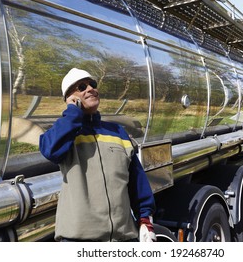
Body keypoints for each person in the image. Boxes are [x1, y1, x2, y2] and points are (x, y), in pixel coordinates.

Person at [39, 68, 156, 242]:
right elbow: (50, 150)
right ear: (70, 98)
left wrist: (145, 219)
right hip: (78, 241)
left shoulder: (117, 132)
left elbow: (136, 179)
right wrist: (73, 113)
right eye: (81, 87)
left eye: (92, 84)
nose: (90, 89)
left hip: (124, 238)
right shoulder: (65, 132)